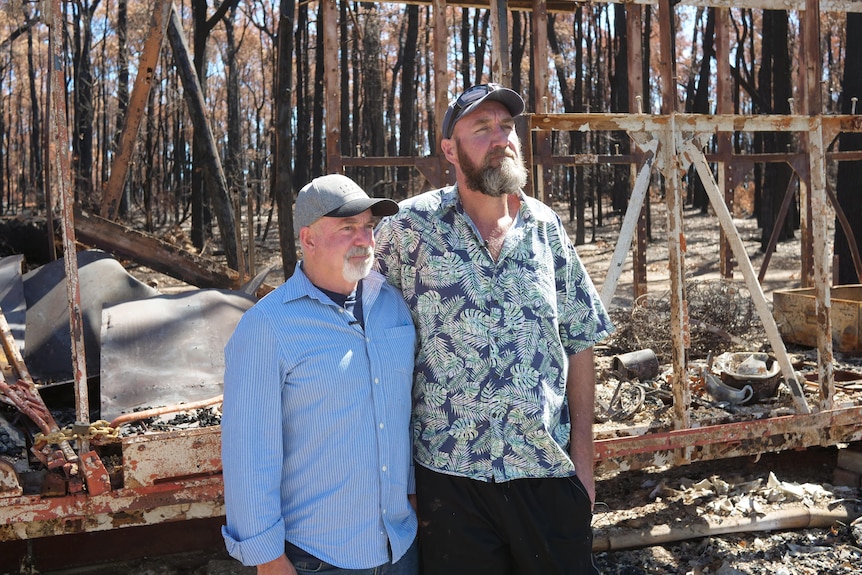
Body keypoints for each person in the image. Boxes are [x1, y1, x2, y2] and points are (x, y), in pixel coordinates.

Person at [374, 83, 614, 575]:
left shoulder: (546, 228)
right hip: (449, 478)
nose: (500, 137)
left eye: (506, 126)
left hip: (545, 470)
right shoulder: (408, 229)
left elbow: (580, 345)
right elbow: (365, 328)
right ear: (449, 149)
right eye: (481, 129)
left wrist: (584, 467)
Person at [221, 174, 419, 575]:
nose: (363, 239)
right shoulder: (268, 326)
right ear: (307, 240)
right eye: (347, 228)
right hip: (319, 557)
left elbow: (409, 415)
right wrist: (268, 558)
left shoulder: (393, 307)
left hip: (400, 547)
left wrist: (412, 498)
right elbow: (248, 454)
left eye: (368, 227)